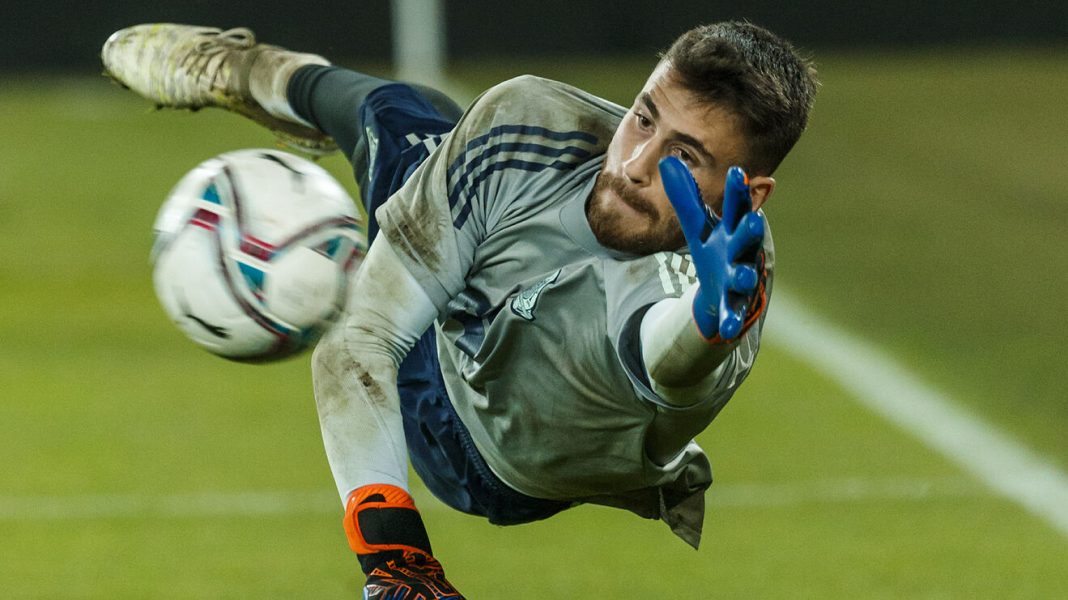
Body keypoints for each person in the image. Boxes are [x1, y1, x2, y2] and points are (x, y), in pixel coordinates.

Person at [102, 20, 817, 599]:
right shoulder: (532, 123)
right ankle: (239, 68)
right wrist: (395, 562)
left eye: (684, 158)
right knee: (403, 119)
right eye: (642, 119)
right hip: (472, 328)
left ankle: (386, 179)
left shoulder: (721, 288)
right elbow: (361, 338)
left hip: (482, 449)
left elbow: (664, 354)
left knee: (408, 138)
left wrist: (707, 324)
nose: (633, 165)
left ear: (749, 194)